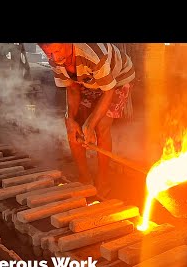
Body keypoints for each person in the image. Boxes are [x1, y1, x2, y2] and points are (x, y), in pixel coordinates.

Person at [38, 43, 135, 198]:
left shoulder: (93, 54)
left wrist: (90, 124)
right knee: (73, 126)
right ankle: (85, 178)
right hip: (88, 80)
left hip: (116, 80)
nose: (55, 58)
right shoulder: (55, 60)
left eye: (57, 50)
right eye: (49, 53)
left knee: (101, 126)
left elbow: (108, 91)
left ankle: (103, 180)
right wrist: (70, 119)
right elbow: (72, 89)